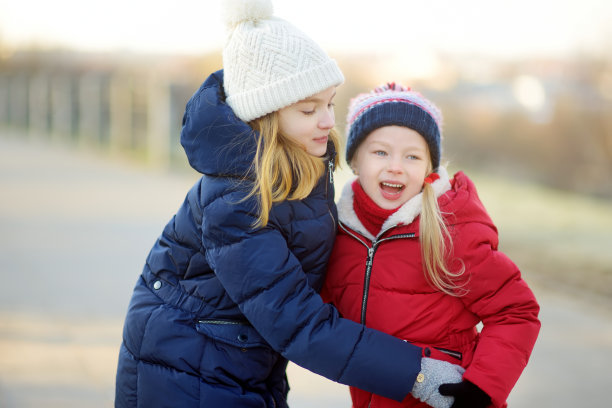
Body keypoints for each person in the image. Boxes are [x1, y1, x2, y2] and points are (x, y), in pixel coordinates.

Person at [114, 1, 466, 407]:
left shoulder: (299, 168)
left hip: (237, 359)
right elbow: (295, 320)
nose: (326, 121)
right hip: (188, 370)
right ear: (265, 115)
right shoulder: (236, 200)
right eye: (307, 109)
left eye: (330, 104)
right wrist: (415, 372)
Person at [321, 83, 541, 408]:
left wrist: (482, 387)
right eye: (380, 152)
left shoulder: (449, 228)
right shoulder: (338, 232)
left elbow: (516, 310)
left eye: (412, 156)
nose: (396, 165)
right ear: (354, 161)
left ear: (429, 168)